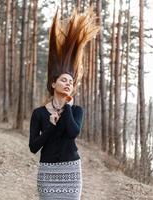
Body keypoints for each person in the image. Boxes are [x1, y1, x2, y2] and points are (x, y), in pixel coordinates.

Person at [29, 6, 99, 200]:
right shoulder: (39, 113)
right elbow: (33, 147)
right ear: (53, 84)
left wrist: (67, 106)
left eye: (70, 81)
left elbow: (73, 133)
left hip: (71, 170)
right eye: (63, 80)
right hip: (47, 171)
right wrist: (50, 128)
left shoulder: (75, 110)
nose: (68, 83)